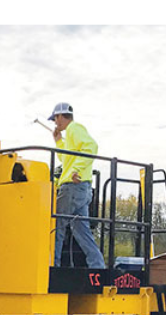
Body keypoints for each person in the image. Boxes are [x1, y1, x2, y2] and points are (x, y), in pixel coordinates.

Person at [49, 102, 106, 269]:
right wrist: (59, 142)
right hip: (81, 189)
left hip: (72, 188)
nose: (55, 122)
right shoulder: (72, 134)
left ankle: (53, 267)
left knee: (57, 226)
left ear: (61, 116)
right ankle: (98, 267)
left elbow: (91, 146)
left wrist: (76, 170)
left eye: (55, 118)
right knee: (81, 231)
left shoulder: (74, 128)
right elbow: (65, 159)